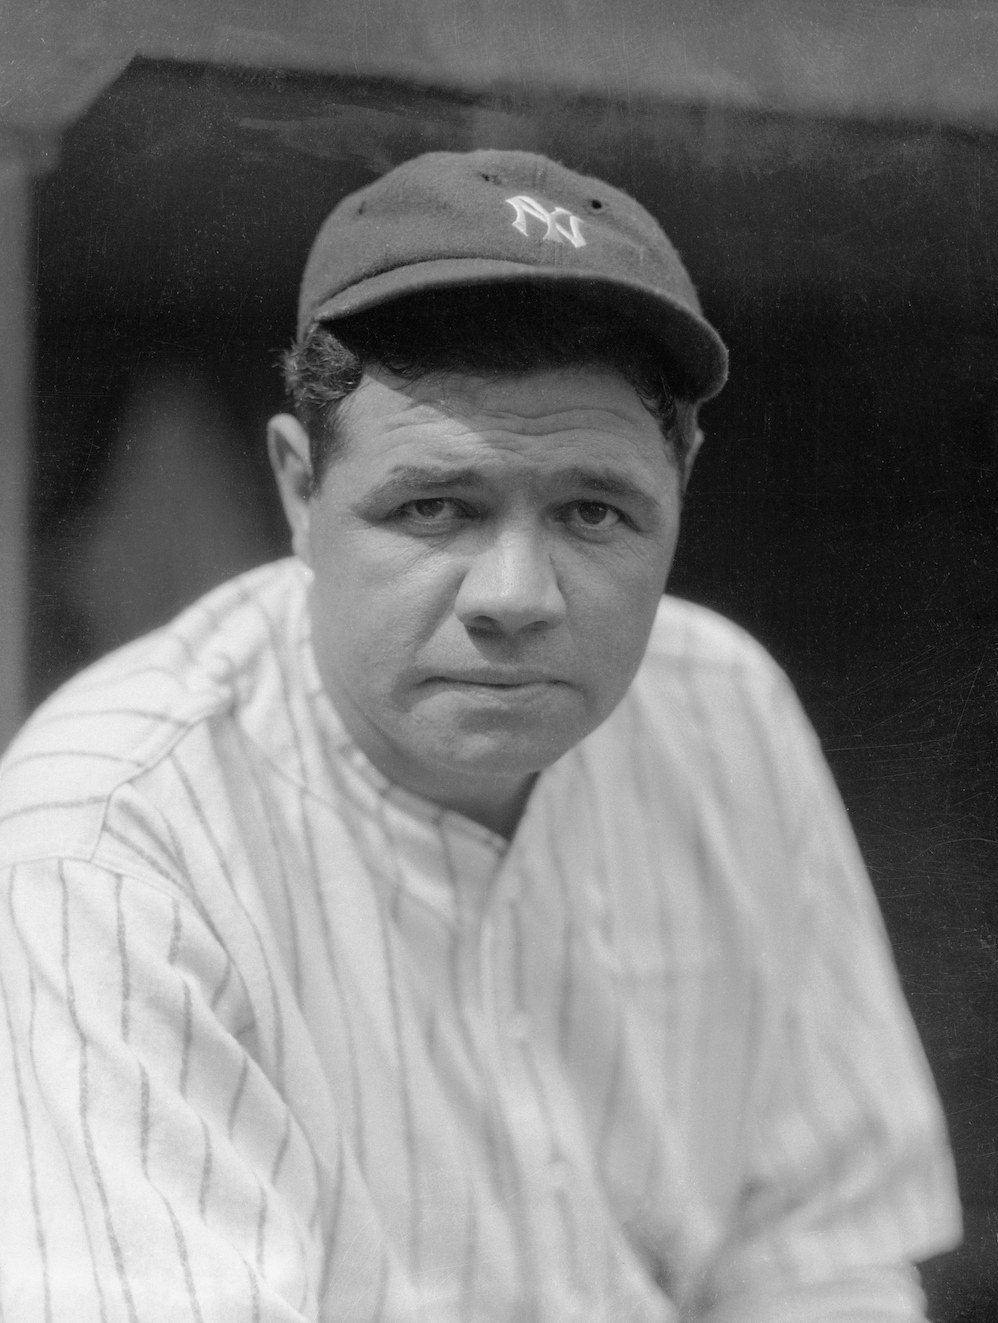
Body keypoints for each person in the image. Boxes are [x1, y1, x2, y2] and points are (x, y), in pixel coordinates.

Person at [0, 149, 960, 1322]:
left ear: (681, 484)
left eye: (590, 512)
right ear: (300, 492)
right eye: (433, 507)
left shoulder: (720, 709)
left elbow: (822, 1258)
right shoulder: (108, 832)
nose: (515, 594)